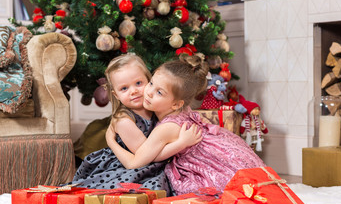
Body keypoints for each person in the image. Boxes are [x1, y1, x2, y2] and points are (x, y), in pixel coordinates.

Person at [106, 54, 266, 195]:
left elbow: (136, 162)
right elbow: (156, 154)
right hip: (224, 149)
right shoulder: (183, 109)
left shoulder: (165, 129)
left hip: (211, 162)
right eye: (152, 83)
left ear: (176, 104)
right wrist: (181, 143)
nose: (148, 92)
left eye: (159, 92)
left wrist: (110, 140)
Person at [70, 54, 201, 195]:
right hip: (133, 165)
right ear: (116, 95)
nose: (134, 91)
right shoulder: (124, 121)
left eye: (139, 83)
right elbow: (147, 157)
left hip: (154, 160)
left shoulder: (153, 105)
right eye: (124, 89)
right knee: (151, 189)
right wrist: (181, 143)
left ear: (149, 80)